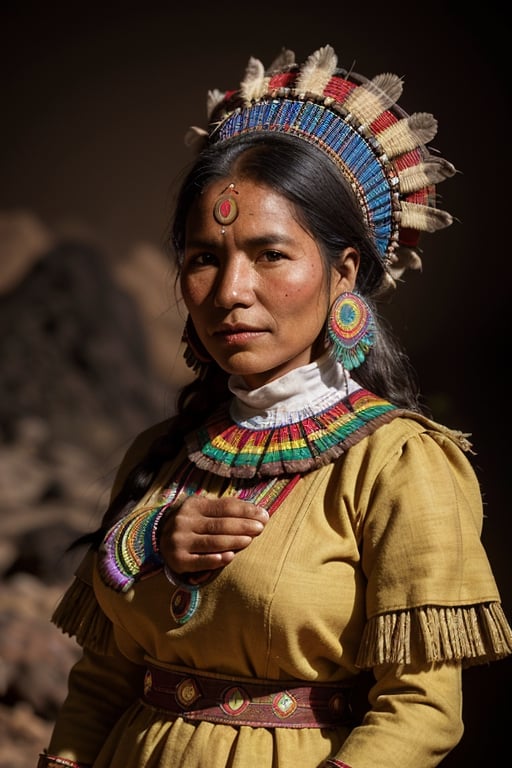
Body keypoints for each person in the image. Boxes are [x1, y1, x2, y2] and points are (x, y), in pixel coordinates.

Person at [38, 44, 512, 768]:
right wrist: (149, 546)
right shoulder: (160, 458)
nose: (229, 290)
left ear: (343, 271)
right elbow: (104, 683)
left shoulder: (400, 464)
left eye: (269, 254)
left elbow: (420, 709)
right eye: (204, 257)